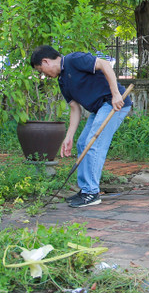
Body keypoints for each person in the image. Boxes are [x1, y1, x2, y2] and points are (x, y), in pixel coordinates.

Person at [31, 45, 132, 208]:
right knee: (82, 143)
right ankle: (85, 190)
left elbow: (105, 64)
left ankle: (92, 193)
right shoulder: (62, 81)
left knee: (93, 144)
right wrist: (69, 136)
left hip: (113, 104)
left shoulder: (74, 60)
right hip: (99, 108)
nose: (44, 75)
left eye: (41, 70)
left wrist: (115, 94)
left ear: (46, 61)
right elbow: (75, 108)